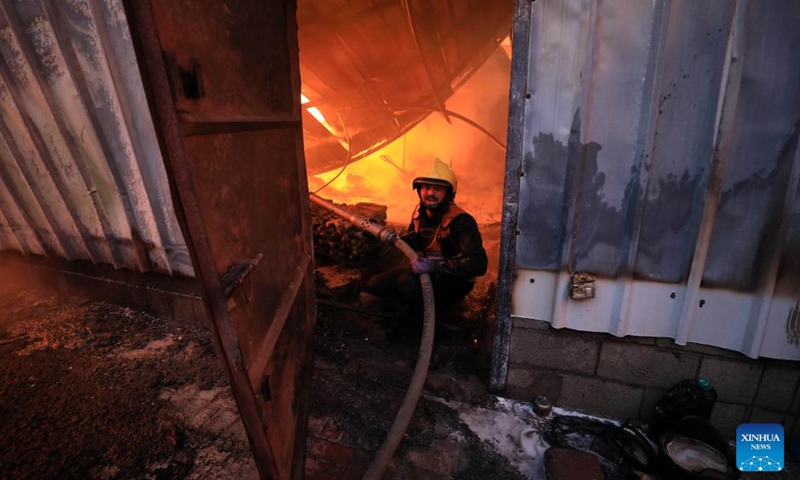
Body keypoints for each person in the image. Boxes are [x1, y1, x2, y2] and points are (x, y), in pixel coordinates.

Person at [365, 158, 488, 313]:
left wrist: (433, 266)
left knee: (405, 282)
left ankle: (431, 316)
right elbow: (413, 240)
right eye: (426, 187)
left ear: (448, 193)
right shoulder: (419, 212)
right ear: (419, 190)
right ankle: (412, 302)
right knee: (375, 283)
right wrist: (383, 239)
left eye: (437, 189)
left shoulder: (461, 221)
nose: (430, 193)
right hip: (426, 272)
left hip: (453, 282)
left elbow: (478, 264)